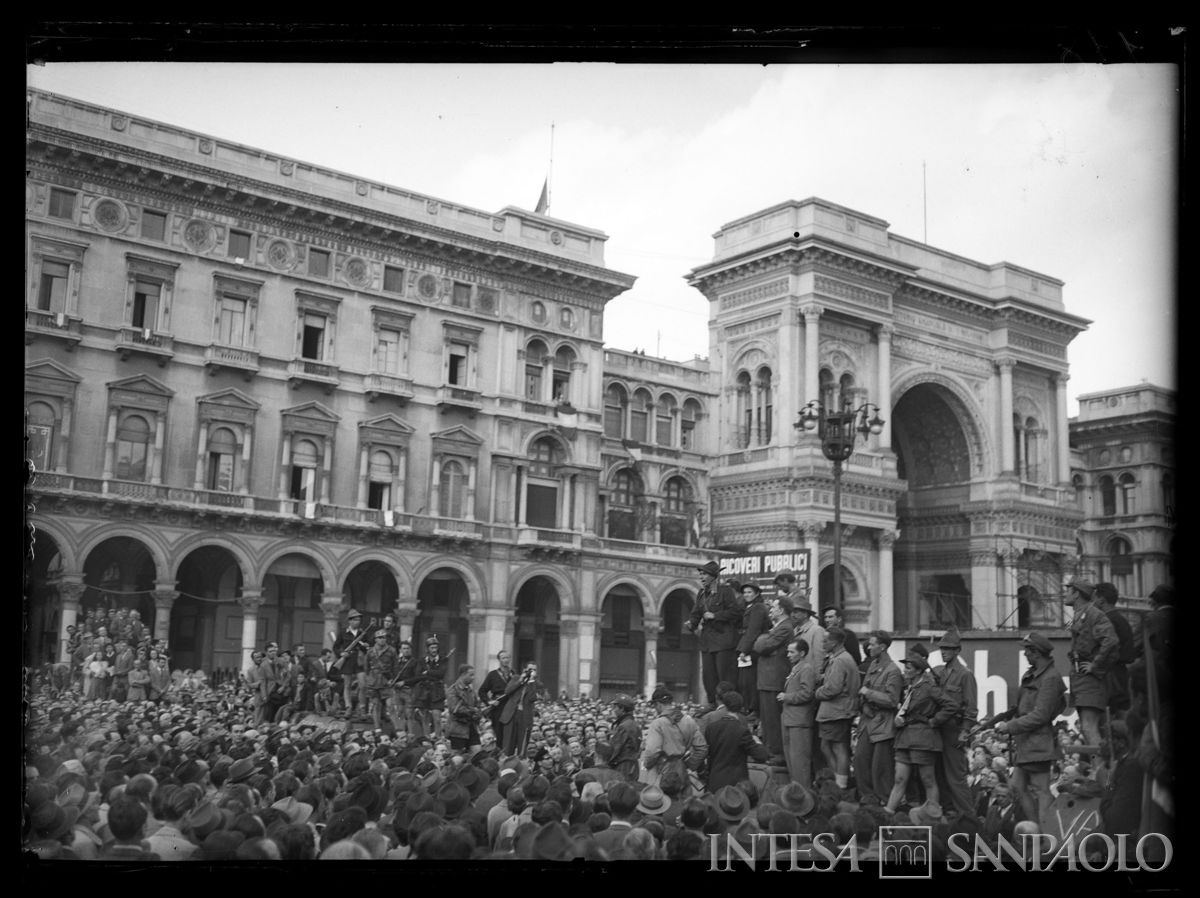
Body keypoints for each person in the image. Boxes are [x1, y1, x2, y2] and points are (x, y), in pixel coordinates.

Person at [995, 631, 1067, 831]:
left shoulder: (1050, 677)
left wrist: (1009, 726)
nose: (1025, 654)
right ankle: (1037, 825)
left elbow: (1041, 715)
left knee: (1042, 790)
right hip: (1026, 742)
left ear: (1036, 652)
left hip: (1038, 742)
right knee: (1016, 786)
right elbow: (1023, 707)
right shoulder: (1031, 674)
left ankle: (1047, 831)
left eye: (1027, 650)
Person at [884, 649, 954, 816]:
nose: (905, 671)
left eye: (908, 668)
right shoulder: (910, 687)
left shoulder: (929, 687)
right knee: (899, 779)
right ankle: (887, 815)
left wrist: (934, 720)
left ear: (918, 670)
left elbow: (951, 705)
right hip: (905, 738)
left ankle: (933, 816)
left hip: (924, 738)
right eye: (905, 667)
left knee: (928, 780)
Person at [1064, 580, 1118, 752]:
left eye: (1068, 591)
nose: (1065, 595)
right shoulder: (1081, 614)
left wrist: (1095, 665)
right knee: (1087, 728)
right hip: (1080, 677)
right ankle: (1099, 771)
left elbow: (1111, 641)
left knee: (1089, 727)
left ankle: (1103, 774)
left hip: (1090, 679)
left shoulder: (1094, 614)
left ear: (1077, 594)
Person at [932, 629, 978, 820]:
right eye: (942, 648)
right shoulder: (939, 672)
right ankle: (950, 814)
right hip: (938, 730)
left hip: (954, 730)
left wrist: (965, 731)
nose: (944, 652)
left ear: (957, 650)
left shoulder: (965, 675)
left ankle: (969, 818)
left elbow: (971, 707)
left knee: (956, 777)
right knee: (939, 775)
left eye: (948, 649)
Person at [684, 560, 743, 708]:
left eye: (704, 574)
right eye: (701, 574)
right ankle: (712, 703)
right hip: (707, 643)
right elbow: (696, 613)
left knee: (725, 678)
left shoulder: (725, 591)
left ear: (713, 576)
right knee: (708, 678)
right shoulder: (701, 594)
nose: (701, 577)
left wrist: (716, 616)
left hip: (724, 641)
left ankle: (728, 705)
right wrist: (691, 623)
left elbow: (735, 612)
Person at [855, 630, 903, 806]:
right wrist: (864, 702)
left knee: (880, 768)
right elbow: (862, 691)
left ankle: (883, 802)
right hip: (867, 721)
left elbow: (892, 700)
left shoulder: (893, 671)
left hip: (883, 725)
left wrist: (869, 693)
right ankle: (867, 799)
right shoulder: (873, 665)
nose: (869, 646)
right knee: (860, 761)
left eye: (873, 643)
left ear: (882, 647)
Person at [640, 684, 707, 796]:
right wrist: (690, 765)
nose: (655, 709)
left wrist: (647, 764)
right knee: (682, 804)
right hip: (682, 771)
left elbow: (652, 751)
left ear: (658, 704)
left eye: (655, 706)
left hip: (662, 772)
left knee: (660, 805)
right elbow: (702, 748)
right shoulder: (689, 721)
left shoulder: (658, 723)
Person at [814, 627, 860, 791]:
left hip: (837, 710)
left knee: (837, 747)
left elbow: (833, 688)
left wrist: (817, 692)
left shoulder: (840, 660)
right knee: (828, 746)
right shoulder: (842, 658)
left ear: (835, 642)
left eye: (826, 640)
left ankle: (839, 784)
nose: (823, 643)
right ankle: (837, 781)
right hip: (839, 710)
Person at [751, 593, 794, 766]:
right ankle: (771, 752)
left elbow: (762, 646)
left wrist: (762, 639)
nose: (771, 610)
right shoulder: (778, 627)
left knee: (773, 720)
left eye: (774, 607)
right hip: (768, 680)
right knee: (768, 720)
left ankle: (777, 753)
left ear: (782, 610)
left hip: (774, 680)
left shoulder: (785, 627)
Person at [704, 690, 768, 793]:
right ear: (741, 707)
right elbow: (761, 756)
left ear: (725, 705)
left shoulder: (711, 728)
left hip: (714, 782)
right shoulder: (742, 731)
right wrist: (757, 742)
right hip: (736, 786)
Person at [1093, 582, 1135, 716]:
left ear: (1101, 600)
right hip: (1119, 674)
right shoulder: (1120, 619)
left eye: (1094, 597)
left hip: (1111, 676)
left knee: (1112, 716)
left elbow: (1069, 628)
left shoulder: (1106, 621)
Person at [736, 582, 770, 719]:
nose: (746, 595)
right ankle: (749, 708)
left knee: (750, 680)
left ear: (756, 593)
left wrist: (744, 650)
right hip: (748, 644)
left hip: (753, 648)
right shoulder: (750, 607)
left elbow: (753, 630)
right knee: (745, 680)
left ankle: (753, 709)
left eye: (749, 592)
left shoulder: (758, 608)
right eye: (744, 593)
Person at [499, 661, 544, 756]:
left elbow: (532, 698)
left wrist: (531, 681)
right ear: (525, 669)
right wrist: (520, 680)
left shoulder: (538, 684)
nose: (532, 672)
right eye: (530, 669)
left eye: (534, 670)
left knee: (522, 746)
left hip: (525, 716)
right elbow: (507, 691)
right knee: (507, 746)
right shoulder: (516, 678)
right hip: (511, 715)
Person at [332, 609, 370, 721]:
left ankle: (362, 708)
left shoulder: (362, 633)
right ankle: (348, 707)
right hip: (347, 660)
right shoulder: (343, 632)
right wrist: (341, 654)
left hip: (359, 660)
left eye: (359, 620)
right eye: (355, 620)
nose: (357, 622)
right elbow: (336, 647)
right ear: (350, 621)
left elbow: (366, 648)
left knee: (363, 685)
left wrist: (365, 646)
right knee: (347, 685)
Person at [478, 651, 515, 748]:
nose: (506, 660)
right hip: (498, 707)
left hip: (511, 706)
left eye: (507, 658)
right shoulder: (492, 675)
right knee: (498, 732)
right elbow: (482, 691)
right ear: (499, 660)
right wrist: (489, 701)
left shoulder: (514, 675)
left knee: (510, 732)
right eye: (503, 658)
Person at [414, 636, 449, 740]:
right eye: (432, 648)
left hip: (437, 691)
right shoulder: (421, 660)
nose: (434, 650)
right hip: (424, 691)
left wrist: (428, 672)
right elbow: (418, 674)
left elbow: (441, 674)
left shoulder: (443, 659)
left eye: (435, 647)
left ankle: (438, 738)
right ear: (427, 649)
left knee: (437, 718)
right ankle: (427, 738)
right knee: (424, 717)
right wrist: (432, 674)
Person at [364, 631, 398, 731]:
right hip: (373, 681)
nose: (382, 639)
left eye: (384, 637)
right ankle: (377, 728)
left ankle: (397, 729)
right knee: (376, 705)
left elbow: (395, 667)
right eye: (380, 637)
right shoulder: (370, 651)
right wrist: (368, 679)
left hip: (386, 681)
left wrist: (393, 679)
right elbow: (366, 667)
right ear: (375, 639)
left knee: (390, 706)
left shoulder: (392, 650)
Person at [446, 664, 482, 753]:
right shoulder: (453, 690)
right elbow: (455, 709)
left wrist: (478, 714)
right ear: (463, 674)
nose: (473, 678)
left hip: (471, 727)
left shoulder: (471, 691)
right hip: (458, 729)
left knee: (478, 754)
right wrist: (473, 711)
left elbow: (477, 706)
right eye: (471, 675)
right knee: (457, 758)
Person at [608, 694, 642, 781]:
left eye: (615, 707)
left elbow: (614, 750)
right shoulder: (634, 724)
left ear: (622, 709)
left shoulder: (624, 726)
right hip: (632, 767)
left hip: (623, 767)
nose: (614, 710)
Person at [391, 640, 420, 737]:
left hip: (409, 690)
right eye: (404, 648)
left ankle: (411, 734)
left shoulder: (414, 662)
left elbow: (417, 677)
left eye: (408, 648)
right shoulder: (396, 662)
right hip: (397, 690)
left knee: (409, 713)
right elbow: (393, 673)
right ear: (400, 650)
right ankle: (401, 733)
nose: (406, 651)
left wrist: (404, 682)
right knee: (399, 712)